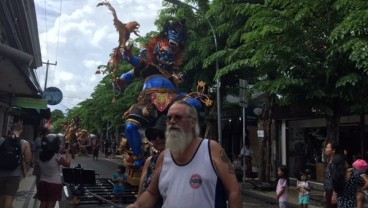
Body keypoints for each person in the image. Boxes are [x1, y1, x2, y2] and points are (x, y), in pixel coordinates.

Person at [127, 100, 242, 208]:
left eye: (177, 117)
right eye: (169, 118)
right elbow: (152, 193)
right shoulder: (163, 157)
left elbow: (234, 191)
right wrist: (137, 205)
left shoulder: (211, 149)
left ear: (192, 122)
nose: (172, 121)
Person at [137, 115, 167, 207]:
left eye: (162, 135)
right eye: (154, 136)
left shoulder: (181, 161)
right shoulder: (150, 161)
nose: (158, 138)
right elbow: (142, 189)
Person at [0, 123, 32, 208]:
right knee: (9, 200)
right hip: (14, 175)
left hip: (1, 173)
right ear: (21, 130)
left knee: (1, 198)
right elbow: (28, 160)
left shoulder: (2, 139)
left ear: (10, 129)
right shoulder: (24, 143)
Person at [37, 134, 71, 208]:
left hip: (42, 182)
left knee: (43, 203)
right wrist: (68, 153)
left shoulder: (40, 155)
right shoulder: (57, 157)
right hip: (54, 184)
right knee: (50, 204)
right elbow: (67, 164)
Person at [32, 127, 50, 199]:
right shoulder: (42, 140)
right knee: (43, 178)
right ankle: (41, 193)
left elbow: (33, 150)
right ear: (46, 133)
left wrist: (33, 160)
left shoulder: (38, 140)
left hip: (40, 162)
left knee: (39, 178)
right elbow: (33, 150)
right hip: (44, 162)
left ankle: (39, 192)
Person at [324, 141, 340, 208]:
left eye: (328, 148)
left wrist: (335, 193)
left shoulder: (335, 162)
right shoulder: (330, 160)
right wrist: (325, 190)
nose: (325, 149)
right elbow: (327, 177)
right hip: (328, 189)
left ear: (333, 150)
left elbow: (337, 178)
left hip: (333, 190)